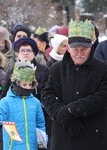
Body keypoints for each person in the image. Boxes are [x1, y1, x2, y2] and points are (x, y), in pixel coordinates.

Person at [41, 19, 107, 150]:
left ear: (91, 48)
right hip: (63, 136)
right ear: (68, 49)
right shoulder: (56, 69)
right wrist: (64, 117)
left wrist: (71, 111)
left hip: (93, 136)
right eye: (76, 49)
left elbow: (102, 97)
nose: (80, 53)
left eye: (84, 49)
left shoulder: (103, 69)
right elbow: (47, 95)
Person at [0, 60, 47, 150]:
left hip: (32, 146)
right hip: (13, 146)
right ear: (16, 83)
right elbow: (0, 114)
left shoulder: (35, 102)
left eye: (30, 85)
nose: (28, 87)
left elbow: (40, 124)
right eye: (24, 84)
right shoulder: (6, 101)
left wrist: (42, 141)